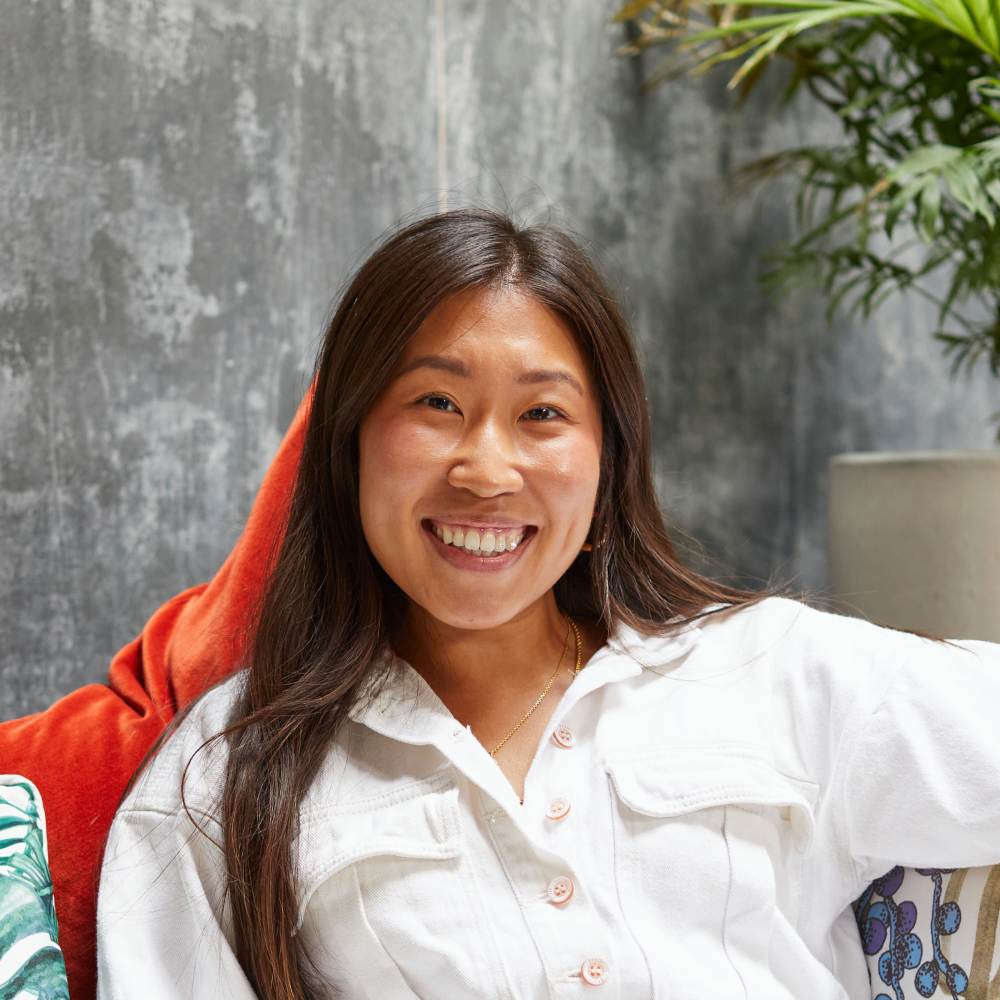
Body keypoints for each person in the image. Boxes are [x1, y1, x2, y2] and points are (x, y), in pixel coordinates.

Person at [95, 207, 1000, 1000]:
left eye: (542, 416)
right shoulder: (226, 779)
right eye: (436, 402)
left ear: (608, 460)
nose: (486, 470)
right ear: (350, 444)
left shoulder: (776, 672)